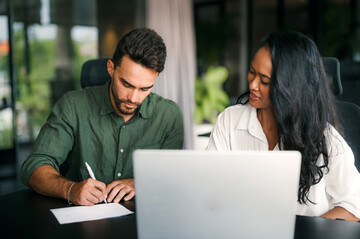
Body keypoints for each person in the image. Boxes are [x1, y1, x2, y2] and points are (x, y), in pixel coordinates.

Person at [207, 30, 360, 221]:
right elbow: (209, 188)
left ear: (291, 87)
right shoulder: (229, 121)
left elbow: (354, 207)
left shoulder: (327, 141)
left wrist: (306, 232)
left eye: (265, 81)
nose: (253, 85)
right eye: (252, 72)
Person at [21, 28, 184, 206]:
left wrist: (141, 182)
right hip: (81, 221)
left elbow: (171, 174)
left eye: (145, 89)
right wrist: (70, 189)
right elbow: (34, 167)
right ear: (111, 68)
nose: (133, 98)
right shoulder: (72, 106)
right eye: (126, 84)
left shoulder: (169, 115)